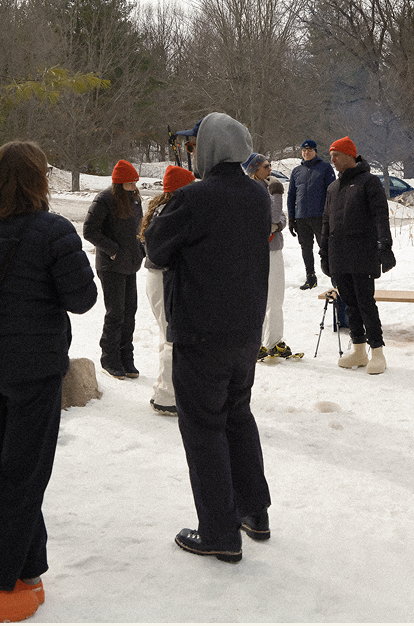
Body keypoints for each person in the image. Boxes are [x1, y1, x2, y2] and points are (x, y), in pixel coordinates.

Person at [0, 140, 98, 623]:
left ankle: (26, 570)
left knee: (10, 470)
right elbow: (81, 299)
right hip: (33, 370)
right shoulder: (53, 231)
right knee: (24, 476)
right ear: (39, 179)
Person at [144, 112, 272, 564]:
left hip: (201, 331)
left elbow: (154, 249)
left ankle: (218, 530)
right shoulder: (258, 196)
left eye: (197, 145)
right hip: (244, 331)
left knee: (203, 427)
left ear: (212, 149)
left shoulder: (195, 198)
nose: (193, 153)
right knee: (237, 415)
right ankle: (254, 511)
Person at [319, 136, 395, 375]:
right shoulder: (333, 187)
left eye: (336, 156)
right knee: (349, 305)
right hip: (338, 255)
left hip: (362, 254)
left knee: (365, 303)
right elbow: (326, 222)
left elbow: (380, 216)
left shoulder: (368, 182)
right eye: (330, 156)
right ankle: (359, 350)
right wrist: (324, 253)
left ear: (350, 156)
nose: (332, 161)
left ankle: (377, 351)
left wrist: (385, 247)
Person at [139, 164, 196, 416]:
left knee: (166, 334)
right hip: (163, 277)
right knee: (171, 335)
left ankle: (166, 388)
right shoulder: (173, 210)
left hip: (156, 277)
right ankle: (167, 395)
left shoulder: (161, 207)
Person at [83, 160, 144, 380]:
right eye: (129, 182)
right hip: (111, 265)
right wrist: (112, 249)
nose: (133, 185)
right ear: (120, 183)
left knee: (130, 312)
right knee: (116, 313)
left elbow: (139, 228)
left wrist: (141, 250)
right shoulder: (104, 200)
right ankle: (109, 358)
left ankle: (126, 356)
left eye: (135, 182)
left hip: (131, 263)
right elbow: (89, 230)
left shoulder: (135, 199)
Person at [244, 153, 296, 362]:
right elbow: (273, 217)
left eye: (270, 165)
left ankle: (274, 341)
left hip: (274, 247)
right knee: (261, 299)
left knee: (276, 297)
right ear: (254, 170)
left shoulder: (267, 187)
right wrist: (277, 194)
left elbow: (280, 218)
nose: (270, 169)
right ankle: (256, 343)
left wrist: (278, 224)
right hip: (259, 251)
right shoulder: (254, 191)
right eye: (265, 166)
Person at [286, 139, 335, 290]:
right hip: (301, 217)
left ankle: (335, 276)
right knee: (305, 248)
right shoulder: (296, 171)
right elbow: (291, 195)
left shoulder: (325, 168)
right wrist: (291, 217)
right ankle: (310, 277)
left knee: (325, 247)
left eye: (309, 150)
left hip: (320, 216)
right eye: (303, 150)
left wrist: (330, 215)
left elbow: (332, 192)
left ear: (315, 151)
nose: (306, 153)